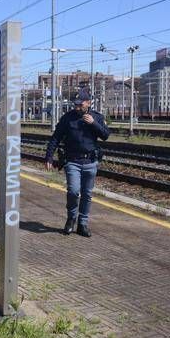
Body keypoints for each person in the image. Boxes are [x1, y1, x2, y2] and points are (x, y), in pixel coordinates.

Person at [45, 88, 110, 237]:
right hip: (72, 161)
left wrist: (94, 123)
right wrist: (49, 156)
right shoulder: (67, 118)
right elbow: (56, 138)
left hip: (90, 162)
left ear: (88, 103)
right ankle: (71, 218)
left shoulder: (96, 117)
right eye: (76, 104)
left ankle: (83, 224)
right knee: (73, 191)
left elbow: (106, 135)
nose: (77, 107)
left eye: (80, 104)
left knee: (87, 194)